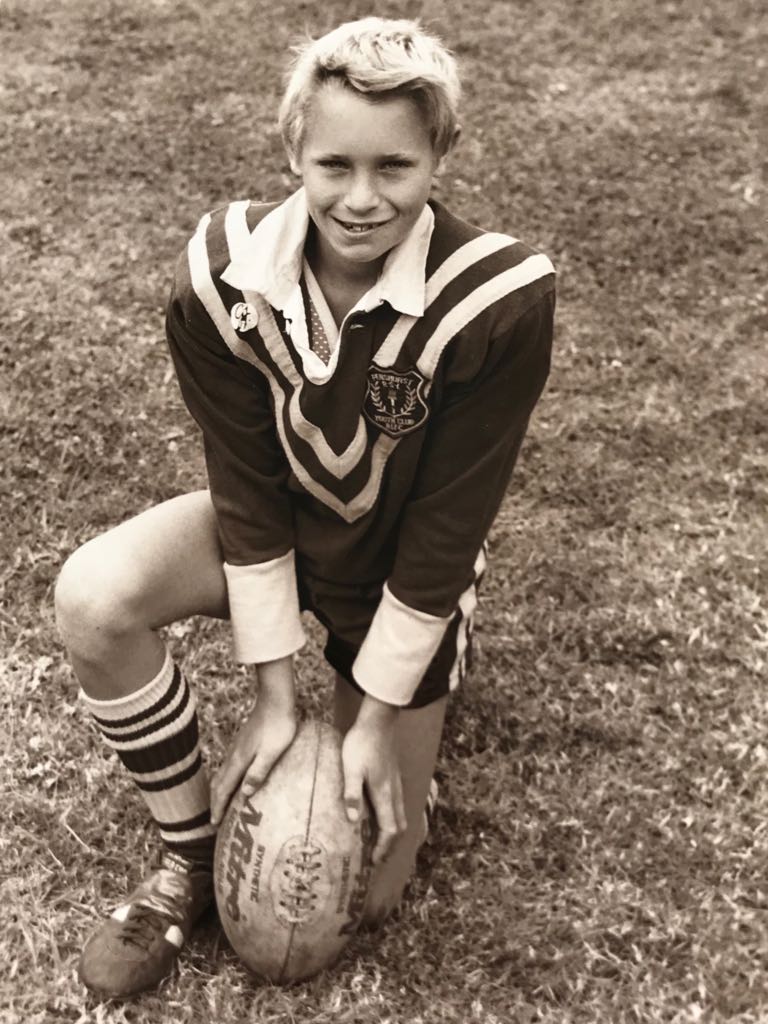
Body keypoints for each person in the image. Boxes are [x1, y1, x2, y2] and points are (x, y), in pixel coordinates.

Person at [55, 16, 555, 998]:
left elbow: (450, 526)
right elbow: (243, 482)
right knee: (92, 595)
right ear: (292, 151)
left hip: (403, 560)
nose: (363, 199)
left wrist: (368, 720)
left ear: (439, 156)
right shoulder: (222, 276)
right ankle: (187, 860)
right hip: (277, 522)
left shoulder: (495, 298)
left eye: (395, 167)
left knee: (363, 888)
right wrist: (275, 694)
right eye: (333, 164)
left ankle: (394, 717)